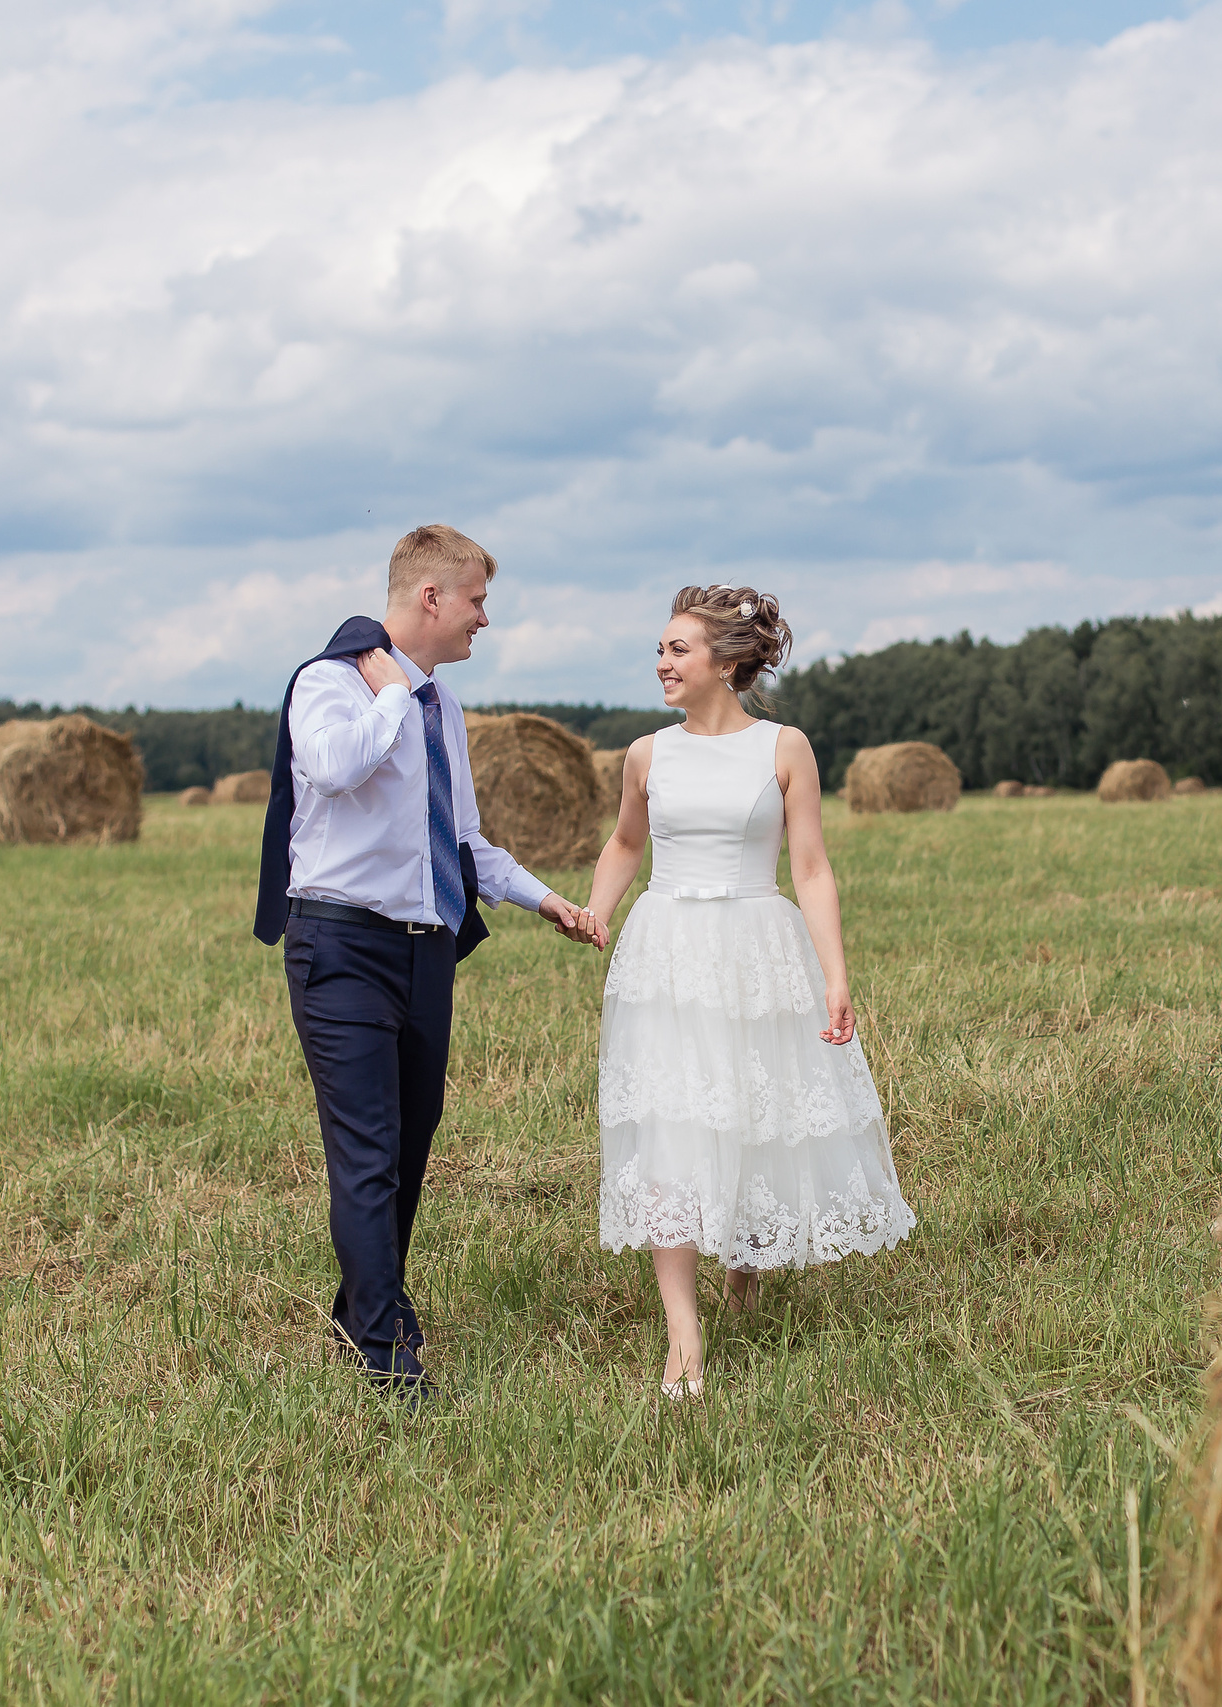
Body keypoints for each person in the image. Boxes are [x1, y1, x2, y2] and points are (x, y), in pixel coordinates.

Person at [254, 524, 600, 1402]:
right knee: (366, 1151)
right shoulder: (329, 685)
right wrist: (392, 693)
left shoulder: (444, 708)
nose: (486, 617)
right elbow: (333, 769)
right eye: (477, 599)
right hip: (340, 946)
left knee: (410, 1147)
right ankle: (382, 1353)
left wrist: (543, 897)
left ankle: (358, 1307)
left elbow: (462, 839)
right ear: (430, 598)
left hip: (425, 952)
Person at [580, 584, 916, 1398]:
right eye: (660, 649)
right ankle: (683, 1339)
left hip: (759, 941)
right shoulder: (646, 754)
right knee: (671, 1121)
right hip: (667, 949)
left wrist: (836, 974)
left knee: (750, 1109)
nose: (661, 662)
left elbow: (811, 867)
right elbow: (627, 841)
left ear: (727, 662)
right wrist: (596, 911)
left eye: (677, 649)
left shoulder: (784, 747)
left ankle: (746, 1261)